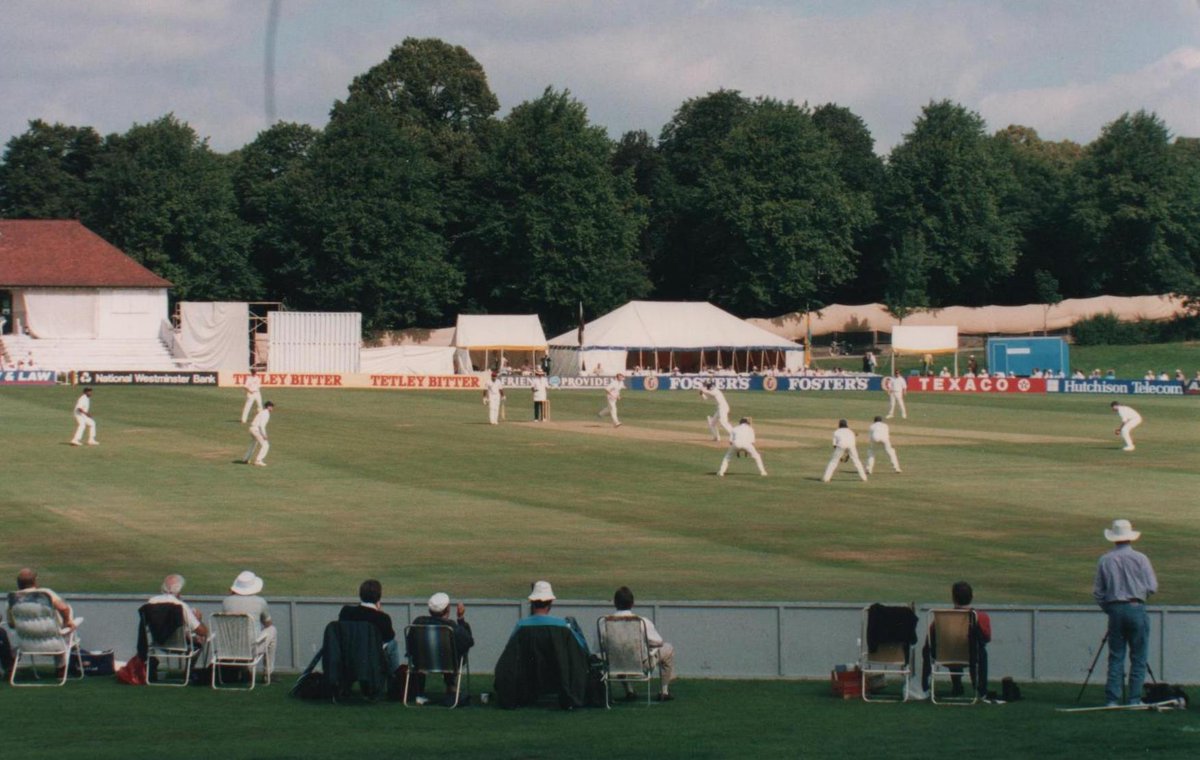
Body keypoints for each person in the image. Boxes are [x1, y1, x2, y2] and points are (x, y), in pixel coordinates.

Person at [1093, 519, 1157, 707]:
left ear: (1114, 538)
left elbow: (1098, 591)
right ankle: (1134, 699)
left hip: (1115, 609)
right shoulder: (1141, 558)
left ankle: (1112, 699)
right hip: (1136, 606)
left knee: (1116, 655)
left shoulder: (1105, 559)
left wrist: (1109, 608)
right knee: (1138, 656)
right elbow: (1152, 587)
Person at [919, 581, 991, 700]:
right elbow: (986, 638)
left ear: (953, 598)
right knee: (979, 650)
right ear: (972, 597)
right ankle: (981, 689)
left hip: (946, 654)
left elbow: (930, 639)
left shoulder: (943, 618)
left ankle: (929, 687)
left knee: (949, 643)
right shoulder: (981, 617)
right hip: (971, 656)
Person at [604, 586, 676, 701]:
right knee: (668, 648)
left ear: (614, 603)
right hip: (641, 665)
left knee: (620, 652)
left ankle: (629, 690)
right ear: (632, 603)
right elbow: (658, 642)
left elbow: (600, 646)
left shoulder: (604, 623)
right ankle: (664, 691)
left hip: (614, 664)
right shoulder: (642, 622)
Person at [405, 592, 475, 704]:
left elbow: (410, 646)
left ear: (430, 610)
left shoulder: (418, 622)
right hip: (450, 664)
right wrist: (461, 618)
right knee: (457, 649)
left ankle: (419, 692)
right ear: (448, 610)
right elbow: (469, 642)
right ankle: (451, 686)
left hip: (422, 664)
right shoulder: (451, 627)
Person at [508, 580, 589, 654]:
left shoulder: (521, 625)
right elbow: (581, 648)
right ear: (550, 602)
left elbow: (510, 652)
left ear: (532, 602)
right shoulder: (562, 626)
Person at [338, 579, 400, 674]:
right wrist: (378, 611)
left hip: (349, 656)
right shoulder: (382, 618)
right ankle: (395, 677)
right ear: (379, 597)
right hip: (372, 659)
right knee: (393, 644)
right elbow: (389, 639)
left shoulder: (346, 612)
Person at [221, 570, 276, 676]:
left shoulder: (226, 601)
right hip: (251, 649)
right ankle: (268, 672)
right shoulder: (260, 601)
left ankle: (246, 669)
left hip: (229, 648)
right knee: (273, 630)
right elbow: (268, 624)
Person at [147, 573, 209, 644]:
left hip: (157, 642)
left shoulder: (151, 602)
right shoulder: (180, 606)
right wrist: (198, 620)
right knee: (202, 638)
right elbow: (202, 631)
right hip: (179, 645)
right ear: (179, 591)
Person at [9, 567, 77, 631]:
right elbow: (63, 608)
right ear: (35, 582)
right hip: (53, 640)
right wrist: (67, 622)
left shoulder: (14, 599)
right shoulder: (45, 594)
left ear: (18, 584)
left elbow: (12, 624)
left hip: (25, 641)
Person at [243, 400, 274, 466]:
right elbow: (261, 425)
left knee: (253, 444)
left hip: (252, 429)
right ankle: (258, 460)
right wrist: (264, 435)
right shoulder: (266, 413)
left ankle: (246, 458)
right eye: (271, 407)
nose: (272, 408)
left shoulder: (262, 412)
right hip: (256, 430)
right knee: (266, 445)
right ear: (268, 407)